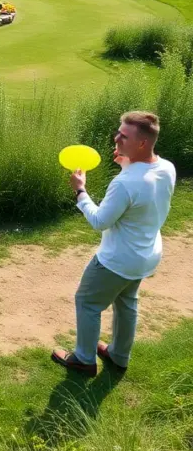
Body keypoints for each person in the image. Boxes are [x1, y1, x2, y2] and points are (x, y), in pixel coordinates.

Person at [52, 111, 175, 376]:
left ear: (142, 143)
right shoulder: (166, 168)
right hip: (146, 256)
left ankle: (84, 359)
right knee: (127, 301)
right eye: (118, 132)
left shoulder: (125, 183)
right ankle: (119, 355)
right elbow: (142, 187)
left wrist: (80, 191)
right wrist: (127, 165)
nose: (116, 138)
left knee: (87, 302)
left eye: (124, 136)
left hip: (117, 260)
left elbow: (100, 221)